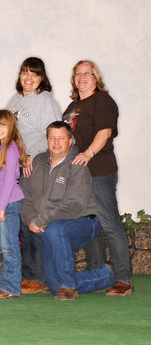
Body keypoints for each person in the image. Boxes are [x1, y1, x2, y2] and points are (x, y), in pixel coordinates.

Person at [20, 121, 114, 300]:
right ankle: (106, 274)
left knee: (56, 230)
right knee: (55, 285)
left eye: (61, 138)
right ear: (47, 141)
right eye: (52, 138)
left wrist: (41, 220)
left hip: (84, 221)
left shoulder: (77, 165)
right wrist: (32, 219)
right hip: (48, 228)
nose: (56, 142)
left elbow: (74, 205)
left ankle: (69, 286)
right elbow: (25, 195)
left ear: (70, 141)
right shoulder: (37, 162)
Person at [63, 60, 133, 296]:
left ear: (96, 78)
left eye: (87, 74)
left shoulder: (103, 101)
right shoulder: (73, 106)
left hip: (99, 170)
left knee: (110, 224)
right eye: (78, 74)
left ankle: (123, 279)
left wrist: (89, 153)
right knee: (90, 226)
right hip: (77, 176)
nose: (82, 77)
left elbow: (104, 131)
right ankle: (97, 274)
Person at [6, 57, 61, 294]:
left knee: (34, 218)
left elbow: (54, 135)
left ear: (41, 78)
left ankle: (39, 276)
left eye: (34, 74)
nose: (28, 78)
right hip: (16, 165)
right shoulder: (14, 100)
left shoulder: (45, 101)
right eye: (24, 73)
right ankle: (27, 274)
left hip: (34, 164)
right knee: (20, 220)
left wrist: (33, 155)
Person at [0, 110, 26, 299]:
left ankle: (10, 288)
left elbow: (9, 181)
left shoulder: (11, 148)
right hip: (3, 203)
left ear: (11, 127)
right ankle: (7, 285)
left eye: (3, 125)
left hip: (10, 203)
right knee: (4, 245)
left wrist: (2, 207)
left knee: (9, 247)